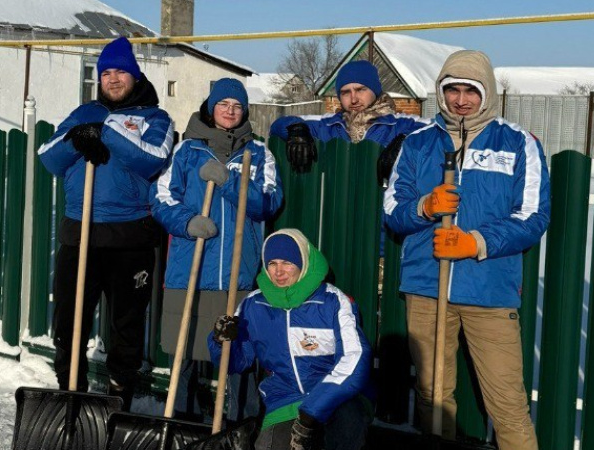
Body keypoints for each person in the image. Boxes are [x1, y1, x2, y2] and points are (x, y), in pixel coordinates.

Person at [383, 50, 550, 450]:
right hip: (427, 287)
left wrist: (475, 242)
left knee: (507, 403)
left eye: (470, 90)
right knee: (433, 396)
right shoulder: (418, 144)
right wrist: (425, 207)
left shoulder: (517, 143)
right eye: (452, 90)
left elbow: (533, 216)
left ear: (486, 92)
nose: (461, 100)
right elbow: (392, 210)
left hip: (489, 290)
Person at [37, 36, 173, 409]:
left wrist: (106, 131)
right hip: (78, 234)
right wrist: (78, 137)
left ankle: (118, 402)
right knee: (68, 324)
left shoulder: (155, 118)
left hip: (131, 240)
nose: (113, 79)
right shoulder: (83, 113)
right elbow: (47, 157)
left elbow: (153, 160)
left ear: (134, 75)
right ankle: (71, 396)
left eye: (120, 72)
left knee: (125, 328)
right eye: (106, 72)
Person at [151, 78, 283, 422]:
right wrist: (187, 222)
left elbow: (268, 202)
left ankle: (242, 422)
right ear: (211, 108)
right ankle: (182, 420)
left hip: (237, 274)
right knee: (184, 352)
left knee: (238, 355)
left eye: (237, 106)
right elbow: (162, 198)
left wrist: (230, 183)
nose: (230, 111)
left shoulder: (259, 153)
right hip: (190, 268)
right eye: (224, 104)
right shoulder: (187, 150)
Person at [209, 229, 373, 450]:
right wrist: (221, 341)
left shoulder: (333, 302)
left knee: (345, 428)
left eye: (287, 262)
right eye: (272, 263)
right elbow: (235, 363)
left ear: (303, 263)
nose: (278, 272)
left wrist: (310, 413)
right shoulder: (253, 305)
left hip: (338, 398)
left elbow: (355, 360)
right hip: (283, 401)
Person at [269, 60, 429, 182]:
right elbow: (277, 125)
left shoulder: (398, 125)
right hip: (338, 215)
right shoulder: (329, 127)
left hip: (382, 216)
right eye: (346, 92)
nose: (353, 99)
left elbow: (440, 133)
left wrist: (405, 141)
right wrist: (296, 130)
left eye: (361, 90)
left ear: (374, 90)